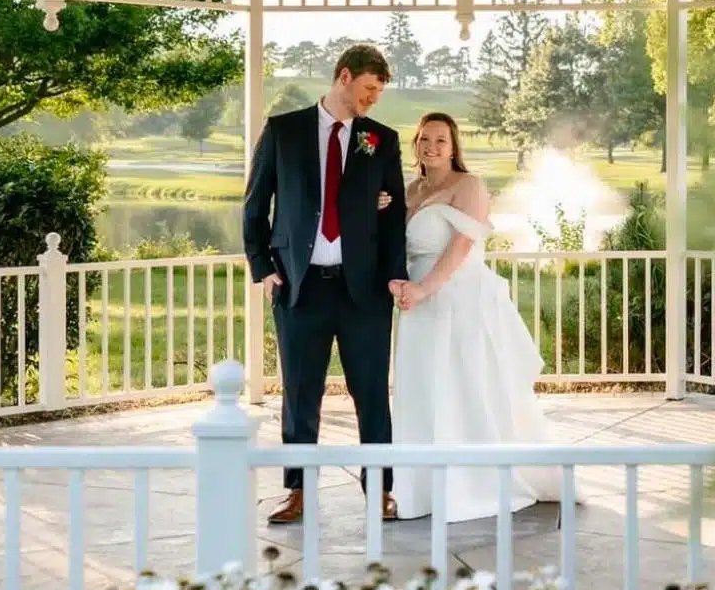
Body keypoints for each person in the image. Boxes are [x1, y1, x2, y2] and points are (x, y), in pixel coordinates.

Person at [243, 44, 408, 525]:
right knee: (300, 394)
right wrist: (262, 265)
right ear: (343, 77)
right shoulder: (284, 131)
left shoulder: (381, 139)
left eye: (378, 91)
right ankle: (297, 490)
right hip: (300, 288)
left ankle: (379, 490)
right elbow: (255, 206)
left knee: (373, 394)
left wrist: (394, 274)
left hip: (365, 293)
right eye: (368, 89)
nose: (373, 99)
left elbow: (394, 212)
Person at [390, 111, 570, 524]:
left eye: (441, 140)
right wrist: (400, 282)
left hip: (457, 298)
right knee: (422, 388)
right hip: (416, 303)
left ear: (453, 148)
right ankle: (421, 488)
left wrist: (423, 288)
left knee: (464, 385)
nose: (431, 147)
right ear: (415, 145)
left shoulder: (468, 186)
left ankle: (472, 485)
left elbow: (460, 248)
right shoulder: (410, 190)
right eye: (424, 139)